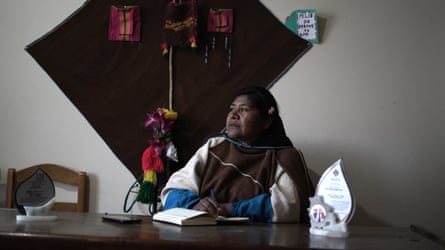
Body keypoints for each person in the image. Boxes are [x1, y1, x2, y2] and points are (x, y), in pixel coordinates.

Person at [160, 86, 313, 223]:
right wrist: (193, 204)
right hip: (202, 235)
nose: (233, 115)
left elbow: (289, 206)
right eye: (232, 109)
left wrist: (230, 210)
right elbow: (173, 189)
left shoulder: (284, 156)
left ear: (266, 120)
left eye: (244, 109)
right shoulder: (213, 147)